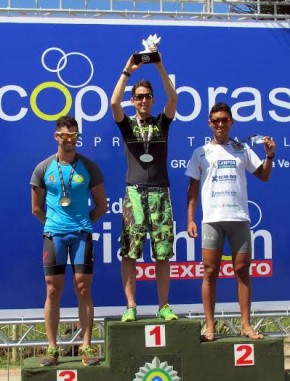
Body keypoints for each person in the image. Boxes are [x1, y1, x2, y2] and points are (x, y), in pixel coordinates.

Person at [185, 102, 275, 341]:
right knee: (209, 272)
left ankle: (246, 325)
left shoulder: (242, 149)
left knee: (242, 271)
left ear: (231, 122)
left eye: (224, 120)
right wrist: (190, 219)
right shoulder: (200, 152)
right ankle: (210, 327)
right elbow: (192, 189)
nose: (220, 124)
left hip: (239, 219)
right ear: (209, 124)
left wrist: (269, 155)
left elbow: (264, 175)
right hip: (212, 220)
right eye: (216, 121)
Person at [31, 116, 107, 366]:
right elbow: (36, 208)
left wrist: (82, 224)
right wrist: (54, 225)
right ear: (56, 137)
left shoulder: (89, 167)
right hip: (54, 236)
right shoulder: (43, 168)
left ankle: (87, 346)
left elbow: (102, 206)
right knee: (53, 290)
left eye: (74, 135)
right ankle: (52, 347)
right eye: (65, 135)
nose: (70, 140)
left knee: (83, 289)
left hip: (81, 235)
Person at [110, 48, 178, 322]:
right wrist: (128, 70)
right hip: (134, 193)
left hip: (160, 193)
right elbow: (113, 103)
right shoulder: (127, 125)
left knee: (163, 253)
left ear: (152, 100)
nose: (143, 100)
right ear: (133, 100)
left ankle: (164, 306)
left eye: (147, 96)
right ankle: (131, 306)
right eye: (138, 97)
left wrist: (159, 65)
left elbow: (173, 98)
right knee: (129, 252)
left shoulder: (162, 123)